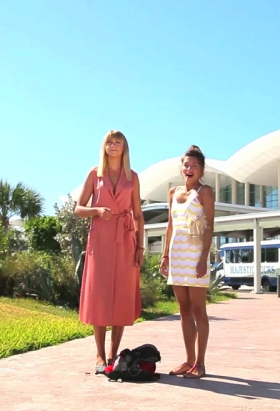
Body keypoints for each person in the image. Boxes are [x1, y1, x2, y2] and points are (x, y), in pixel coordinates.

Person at [74, 130, 145, 374]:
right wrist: (96, 211)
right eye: (109, 142)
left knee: (122, 297)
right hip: (100, 239)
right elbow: (78, 208)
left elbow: (138, 214)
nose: (113, 145)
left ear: (124, 147)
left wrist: (140, 246)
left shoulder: (132, 177)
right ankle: (100, 355)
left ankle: (114, 355)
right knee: (100, 296)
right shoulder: (95, 174)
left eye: (118, 142)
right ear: (104, 147)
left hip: (125, 239)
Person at [160, 145, 215, 379]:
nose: (189, 169)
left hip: (195, 255)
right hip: (177, 255)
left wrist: (203, 257)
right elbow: (170, 226)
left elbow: (209, 226)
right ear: (181, 168)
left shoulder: (205, 192)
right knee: (183, 310)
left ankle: (200, 363)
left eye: (194, 165)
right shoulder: (173, 192)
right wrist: (165, 255)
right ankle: (189, 360)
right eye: (186, 165)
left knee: (198, 309)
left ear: (201, 170)